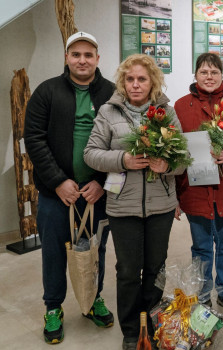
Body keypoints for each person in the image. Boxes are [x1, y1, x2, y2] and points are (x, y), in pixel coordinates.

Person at [83, 54, 186, 350]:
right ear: (122, 82)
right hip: (122, 206)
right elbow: (90, 153)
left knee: (156, 267)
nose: (136, 85)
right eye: (130, 79)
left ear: (152, 81)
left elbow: (182, 162)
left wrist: (167, 166)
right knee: (128, 270)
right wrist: (123, 159)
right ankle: (131, 330)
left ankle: (151, 322)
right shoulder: (108, 111)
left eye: (142, 79)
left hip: (161, 206)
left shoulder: (166, 112)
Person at [24, 31, 115, 344]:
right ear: (66, 57)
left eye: (88, 55)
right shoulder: (47, 91)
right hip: (55, 195)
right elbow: (34, 139)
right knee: (53, 252)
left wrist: (102, 183)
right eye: (76, 54)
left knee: (94, 250)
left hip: (95, 195)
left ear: (97, 59)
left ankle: (92, 300)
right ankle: (53, 307)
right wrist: (58, 181)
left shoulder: (112, 93)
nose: (82, 60)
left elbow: (123, 142)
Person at [174, 53, 223, 317]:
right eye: (203, 72)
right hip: (195, 190)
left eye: (214, 72)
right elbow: (174, 152)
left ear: (222, 75)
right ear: (195, 75)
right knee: (200, 247)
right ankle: (202, 294)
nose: (209, 77)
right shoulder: (181, 105)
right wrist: (174, 196)